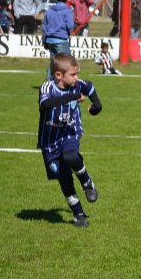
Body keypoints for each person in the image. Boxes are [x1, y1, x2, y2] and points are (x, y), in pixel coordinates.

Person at [38, 53, 102, 228]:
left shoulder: (78, 85)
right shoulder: (47, 87)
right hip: (49, 141)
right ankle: (78, 214)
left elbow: (89, 87)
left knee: (71, 155)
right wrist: (73, 97)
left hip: (69, 132)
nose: (77, 78)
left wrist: (96, 106)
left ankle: (87, 182)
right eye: (73, 75)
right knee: (64, 180)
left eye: (77, 74)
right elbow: (45, 104)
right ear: (59, 75)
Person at [42, 0, 75, 81]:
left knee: (54, 63)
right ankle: (67, 83)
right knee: (66, 63)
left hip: (50, 40)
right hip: (61, 39)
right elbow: (70, 25)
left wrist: (44, 41)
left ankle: (49, 82)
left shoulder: (49, 10)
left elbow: (44, 27)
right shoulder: (67, 10)